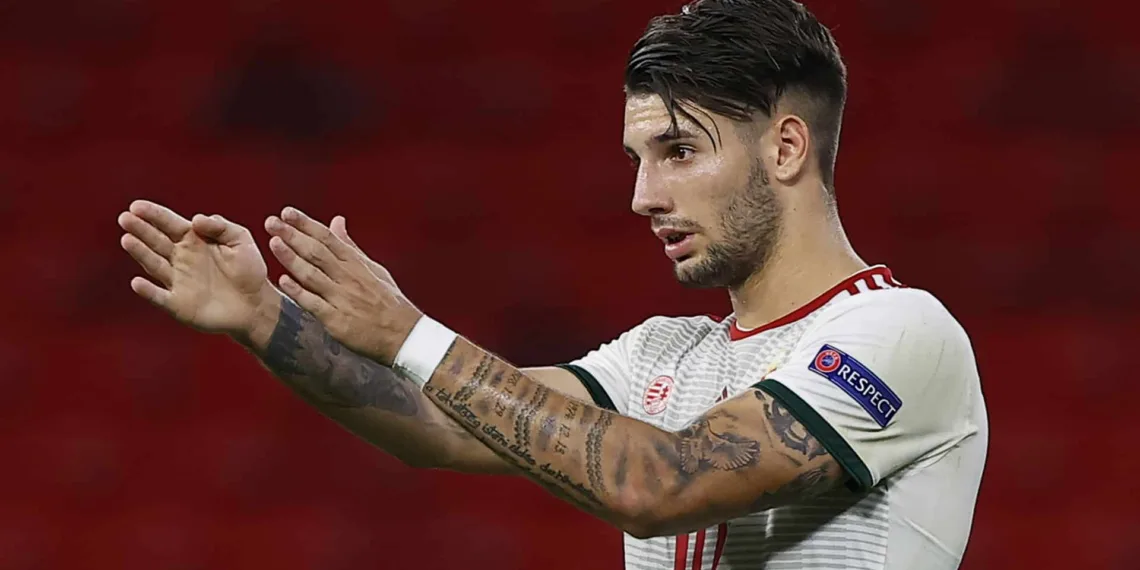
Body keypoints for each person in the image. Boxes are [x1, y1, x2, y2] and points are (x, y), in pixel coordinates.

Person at [117, 0, 988, 568]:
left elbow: (662, 485)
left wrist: (411, 332)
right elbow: (434, 423)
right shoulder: (661, 353)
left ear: (786, 148)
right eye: (637, 159)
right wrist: (264, 318)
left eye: (680, 151)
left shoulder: (902, 335)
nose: (644, 196)